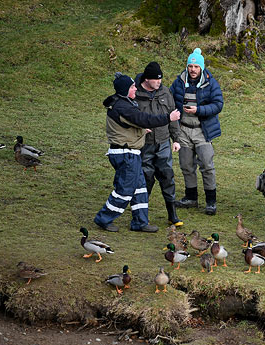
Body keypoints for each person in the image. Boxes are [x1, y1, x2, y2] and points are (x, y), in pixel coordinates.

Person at [94, 73, 180, 233]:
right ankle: (104, 218)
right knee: (125, 189)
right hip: (126, 154)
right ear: (125, 90)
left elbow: (131, 124)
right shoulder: (123, 107)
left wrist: (141, 129)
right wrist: (169, 117)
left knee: (140, 187)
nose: (135, 89)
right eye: (132, 87)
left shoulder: (121, 103)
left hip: (129, 153)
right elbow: (144, 119)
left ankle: (140, 222)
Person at [170, 48, 224, 215]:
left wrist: (198, 109)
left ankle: (211, 201)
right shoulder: (179, 82)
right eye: (190, 66)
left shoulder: (211, 83)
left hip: (203, 131)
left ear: (201, 68)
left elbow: (218, 105)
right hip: (184, 130)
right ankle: (191, 198)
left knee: (207, 166)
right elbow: (170, 101)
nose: (193, 69)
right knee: (186, 165)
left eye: (196, 66)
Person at [134, 61, 183, 227]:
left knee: (167, 177)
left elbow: (173, 116)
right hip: (144, 144)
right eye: (156, 80)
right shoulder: (135, 93)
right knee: (145, 179)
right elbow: (129, 117)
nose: (159, 83)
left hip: (163, 143)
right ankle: (141, 216)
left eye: (160, 80)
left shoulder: (165, 92)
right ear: (147, 79)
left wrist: (176, 139)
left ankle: (172, 215)